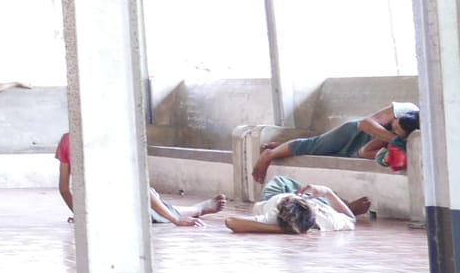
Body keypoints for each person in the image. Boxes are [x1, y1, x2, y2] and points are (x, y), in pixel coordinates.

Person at [55, 133, 229, 226]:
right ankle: (197, 209)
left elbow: (64, 189)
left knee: (150, 200)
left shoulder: (67, 140)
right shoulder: (108, 142)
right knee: (150, 205)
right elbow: (139, 188)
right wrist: (175, 220)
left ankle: (196, 208)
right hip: (119, 208)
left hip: (98, 210)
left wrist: (81, 215)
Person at [250, 100, 419, 184]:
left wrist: (397, 143)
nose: (394, 127)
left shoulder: (412, 140)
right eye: (394, 125)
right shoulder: (406, 110)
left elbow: (369, 153)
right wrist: (395, 138)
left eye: (397, 130)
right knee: (313, 145)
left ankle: (282, 147)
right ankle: (269, 155)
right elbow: (364, 123)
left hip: (366, 147)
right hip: (355, 133)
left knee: (316, 147)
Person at [227, 179, 362, 234]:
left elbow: (231, 221)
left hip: (281, 196)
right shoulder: (327, 221)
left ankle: (338, 201)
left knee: (279, 181)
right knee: (288, 184)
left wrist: (278, 229)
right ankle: (341, 202)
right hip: (313, 201)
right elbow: (351, 220)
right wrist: (328, 192)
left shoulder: (273, 216)